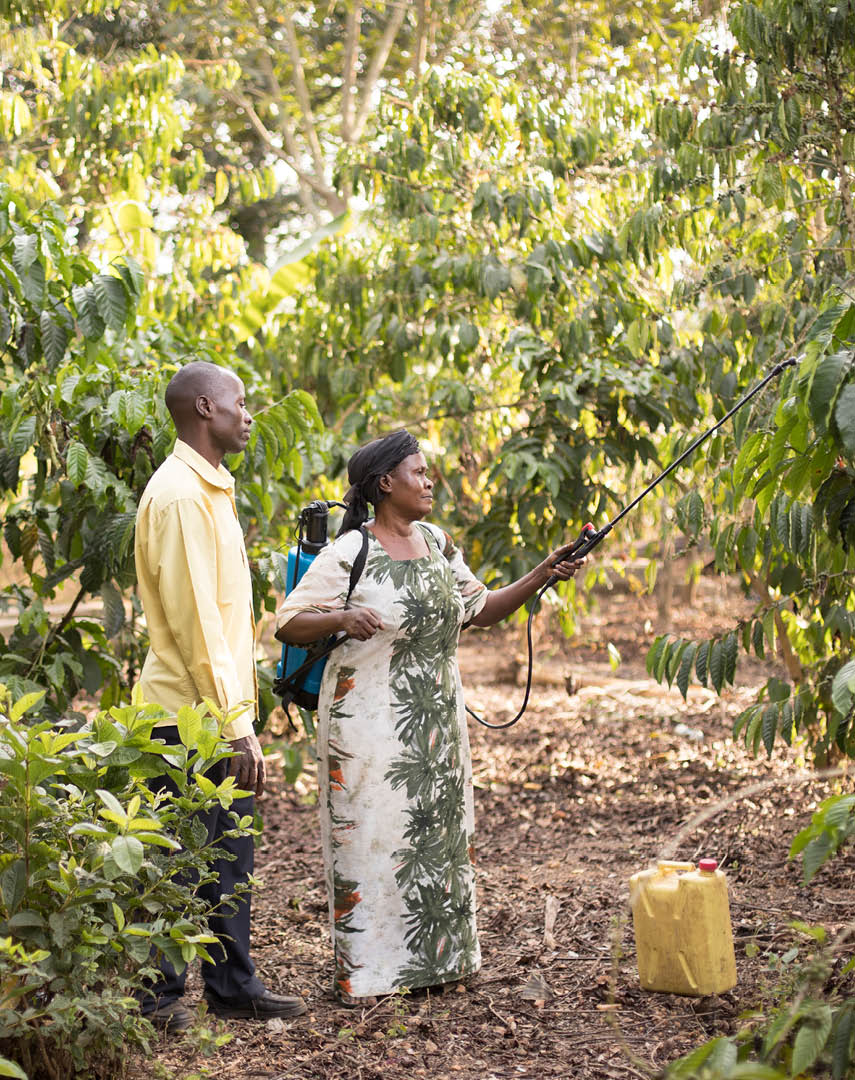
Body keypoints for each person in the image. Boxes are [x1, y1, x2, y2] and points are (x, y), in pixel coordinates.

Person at [275, 429, 584, 1003]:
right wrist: (342, 618)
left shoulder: (438, 542)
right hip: (365, 726)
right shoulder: (349, 552)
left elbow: (482, 607)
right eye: (419, 472)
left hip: (435, 724)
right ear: (385, 483)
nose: (430, 480)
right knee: (373, 839)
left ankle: (437, 964)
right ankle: (371, 974)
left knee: (435, 839)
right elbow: (288, 622)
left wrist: (543, 571)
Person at [134, 360, 307, 1033]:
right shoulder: (179, 495)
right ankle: (157, 1001)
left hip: (218, 712)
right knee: (179, 856)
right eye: (240, 401)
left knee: (228, 851)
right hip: (188, 715)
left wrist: (240, 717)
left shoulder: (208, 489)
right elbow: (196, 621)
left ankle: (234, 985)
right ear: (206, 408)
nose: (248, 413)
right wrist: (237, 725)